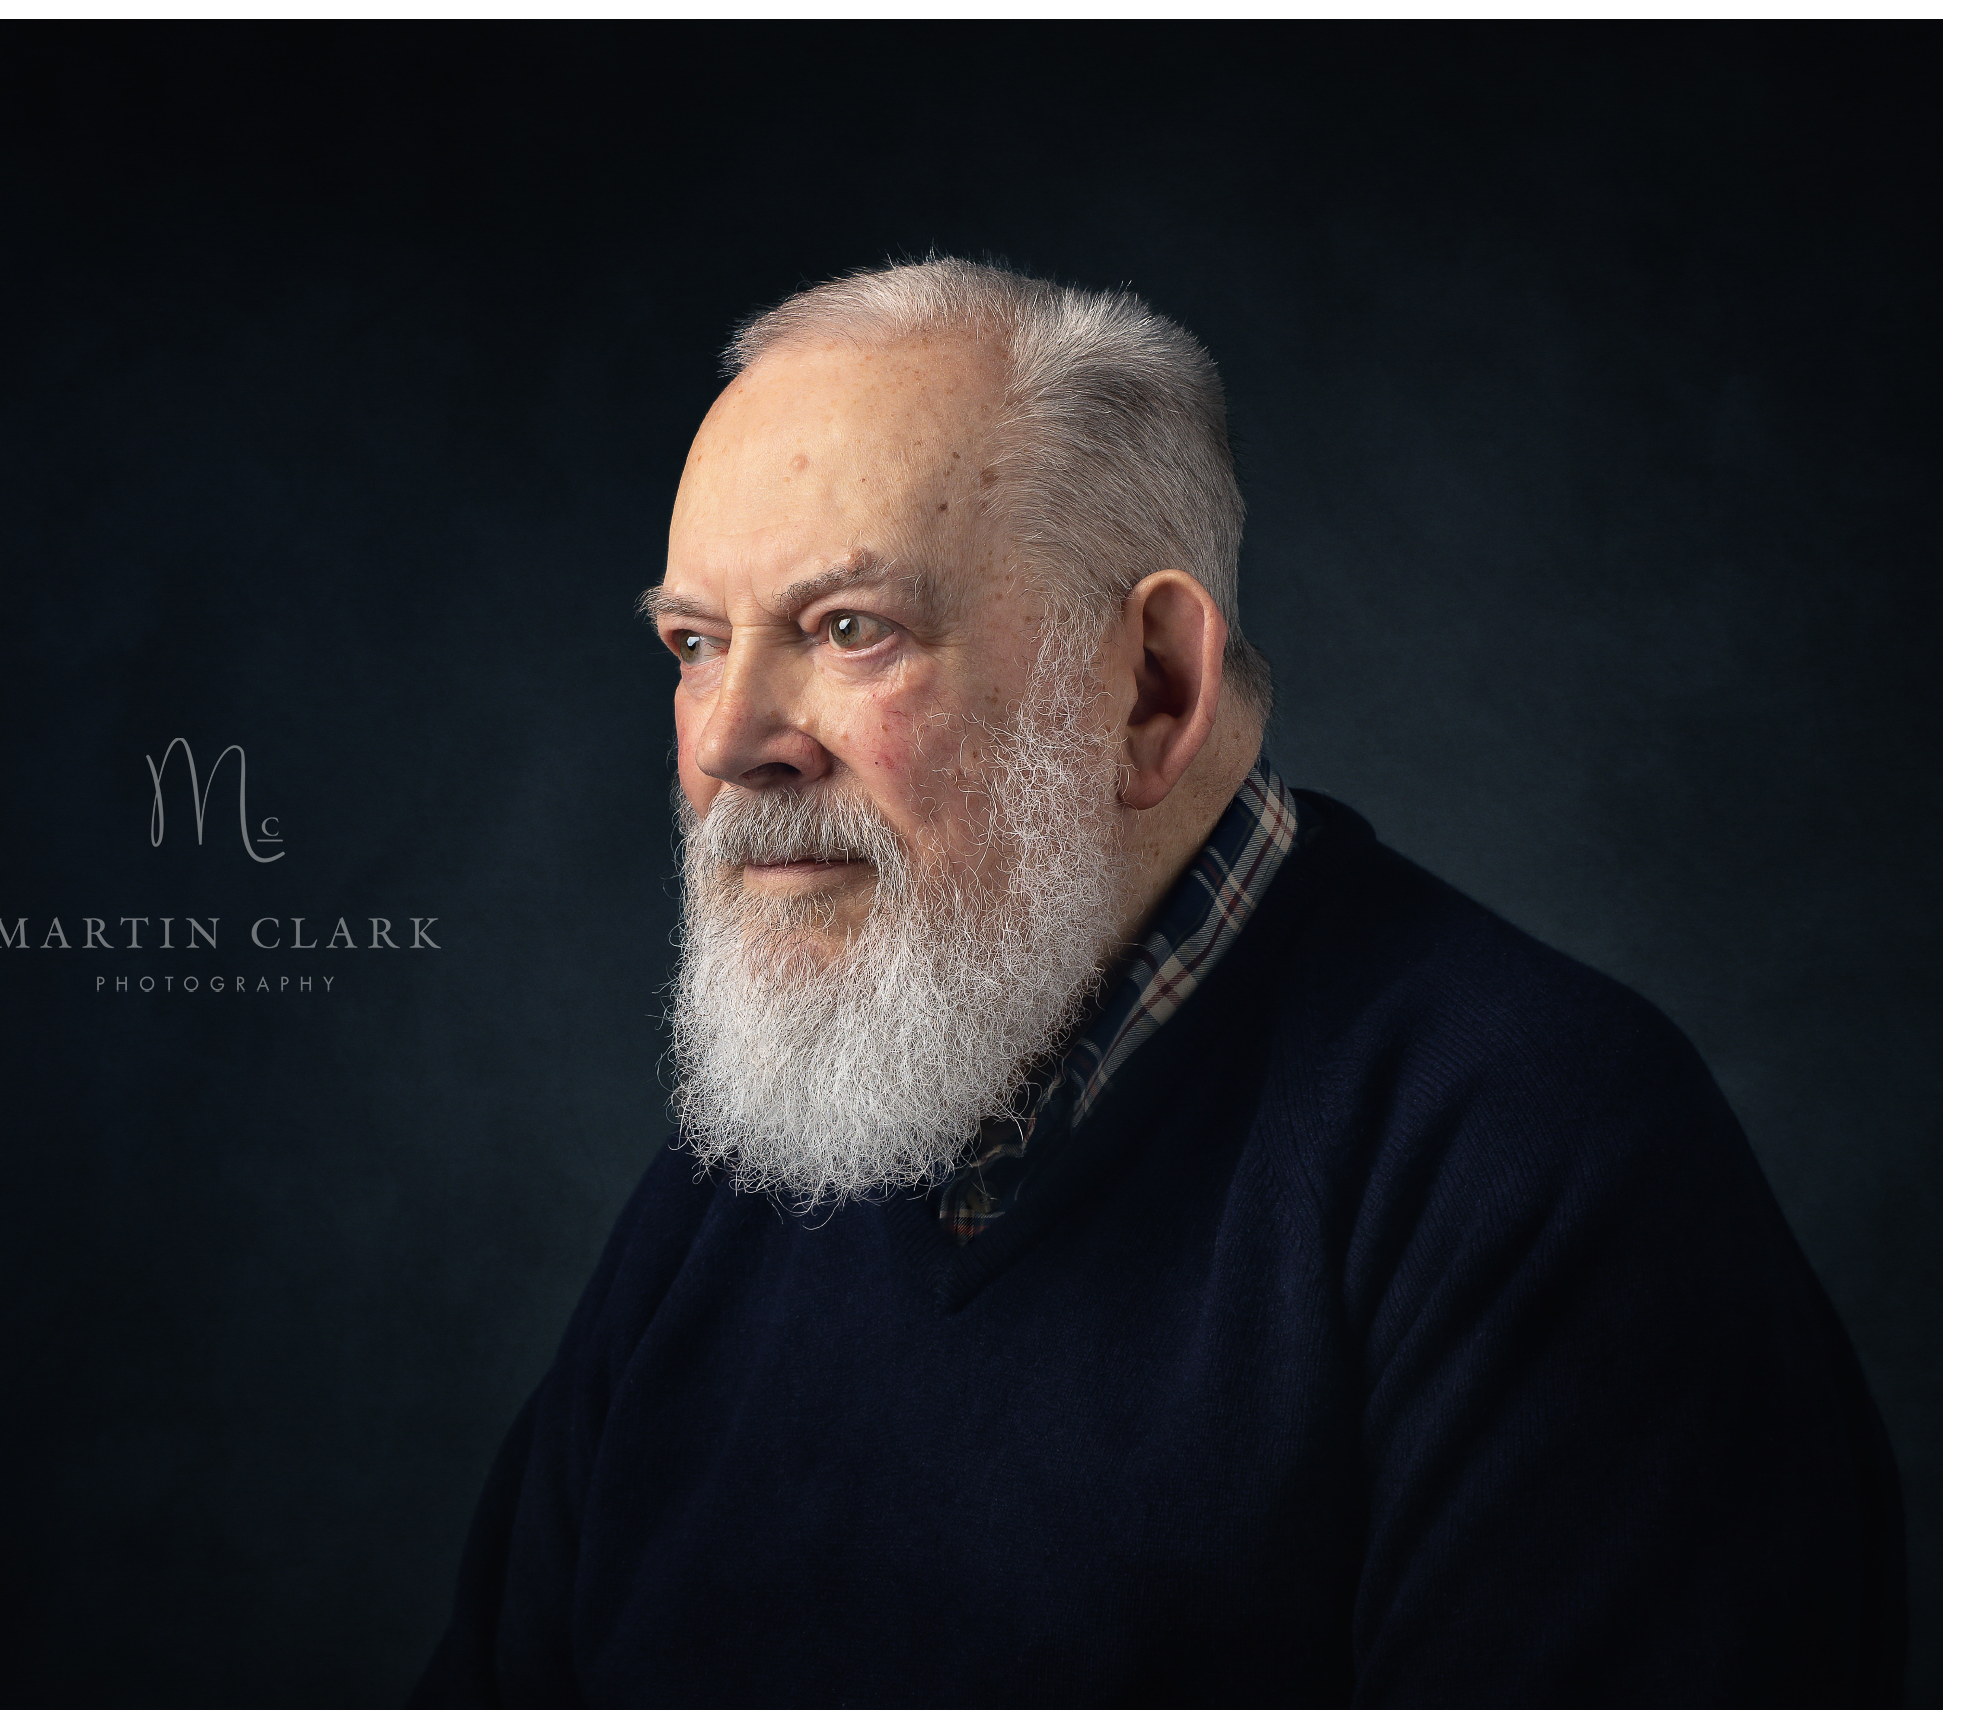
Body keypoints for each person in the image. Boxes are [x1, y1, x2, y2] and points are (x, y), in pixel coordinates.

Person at [412, 258, 1903, 1707]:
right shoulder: (744, 1179)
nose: (731, 739)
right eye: (692, 643)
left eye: (849, 628)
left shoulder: (1543, 1163)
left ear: (1153, 688)